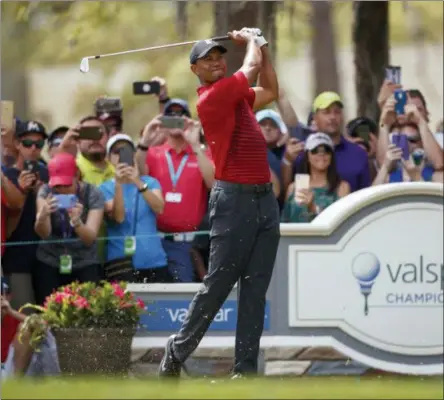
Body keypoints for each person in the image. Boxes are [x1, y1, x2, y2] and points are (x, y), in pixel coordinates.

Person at [159, 27, 279, 379]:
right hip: (234, 201)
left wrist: (264, 47)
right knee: (219, 284)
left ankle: (244, 372)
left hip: (264, 201)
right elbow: (252, 68)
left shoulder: (238, 97)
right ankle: (177, 350)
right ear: (194, 69)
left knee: (255, 288)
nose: (215, 62)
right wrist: (254, 41)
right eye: (206, 59)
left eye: (219, 57)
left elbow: (270, 89)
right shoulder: (212, 97)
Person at [144, 113, 214, 283]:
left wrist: (195, 144)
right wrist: (146, 139)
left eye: (180, 116)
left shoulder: (201, 153)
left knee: (182, 297)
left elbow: (213, 183)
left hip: (187, 243)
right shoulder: (153, 153)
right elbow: (138, 177)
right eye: (170, 116)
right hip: (154, 242)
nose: (175, 120)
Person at [33, 152, 104, 305]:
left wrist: (77, 222)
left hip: (85, 261)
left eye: (67, 185)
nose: (63, 190)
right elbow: (44, 233)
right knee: (49, 313)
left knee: (87, 314)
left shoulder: (93, 193)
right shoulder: (46, 191)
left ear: (77, 175)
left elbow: (89, 238)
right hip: (50, 260)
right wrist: (43, 216)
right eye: (58, 186)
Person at [99, 134, 169, 283]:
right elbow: (119, 217)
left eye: (126, 150)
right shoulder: (104, 188)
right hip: (121, 262)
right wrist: (119, 184)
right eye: (116, 152)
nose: (121, 156)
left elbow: (159, 208)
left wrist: (137, 181)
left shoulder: (150, 182)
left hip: (153, 259)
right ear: (108, 158)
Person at [281, 92, 370, 194]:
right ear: (314, 118)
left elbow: (366, 193)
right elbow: (290, 194)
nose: (332, 117)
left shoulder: (358, 153)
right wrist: (287, 162)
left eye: (337, 112)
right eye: (326, 112)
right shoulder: (302, 152)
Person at [2, 120, 49, 310]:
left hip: (47, 258)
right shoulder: (7, 176)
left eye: (39, 144)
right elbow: (7, 225)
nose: (33, 149)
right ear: (17, 145)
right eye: (28, 143)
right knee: (24, 316)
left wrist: (41, 193)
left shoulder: (48, 174)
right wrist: (21, 191)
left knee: (50, 317)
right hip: (16, 258)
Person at [281, 133, 350, 222]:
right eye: (315, 150)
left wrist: (313, 208)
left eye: (326, 150)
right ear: (307, 155)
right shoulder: (293, 187)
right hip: (296, 235)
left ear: (331, 156)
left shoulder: (342, 187)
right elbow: (284, 222)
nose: (321, 154)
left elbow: (341, 223)